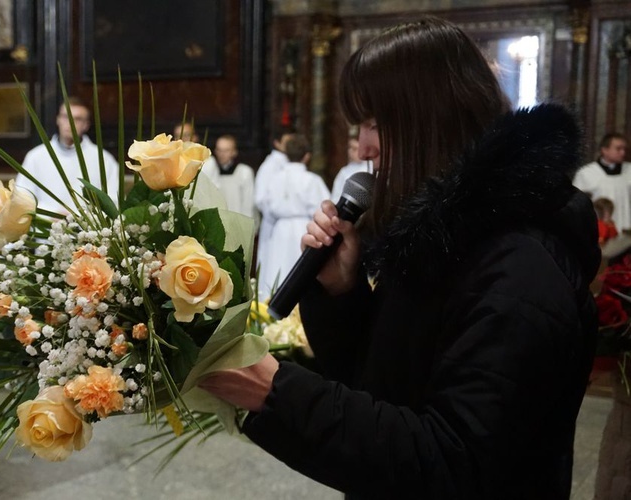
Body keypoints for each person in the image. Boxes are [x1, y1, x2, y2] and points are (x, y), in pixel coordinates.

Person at [200, 17, 600, 499]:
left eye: (374, 123)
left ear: (431, 118)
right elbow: (383, 387)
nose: (363, 148)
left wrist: (276, 392)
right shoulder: (444, 241)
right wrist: (344, 292)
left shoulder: (519, 267)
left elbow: (453, 461)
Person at [15, 97, 120, 214]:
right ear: (58, 120)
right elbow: (22, 197)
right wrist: (52, 213)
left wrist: (80, 217)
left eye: (77, 119)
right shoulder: (35, 156)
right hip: (45, 226)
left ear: (86, 125)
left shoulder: (103, 159)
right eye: (65, 117)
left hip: (87, 228)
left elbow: (113, 201)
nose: (70, 123)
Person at [258, 134, 330, 295]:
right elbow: (323, 209)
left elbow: (267, 208)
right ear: (307, 156)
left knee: (278, 268)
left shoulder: (274, 179)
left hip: (280, 229)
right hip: (304, 228)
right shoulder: (311, 180)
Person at [254, 126, 296, 298]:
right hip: (274, 224)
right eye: (288, 142)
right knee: (273, 265)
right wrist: (279, 214)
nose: (291, 146)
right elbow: (260, 198)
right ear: (277, 143)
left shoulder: (291, 164)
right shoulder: (270, 166)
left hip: (290, 227)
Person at [573, 132, 631, 231]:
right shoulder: (586, 173)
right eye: (618, 149)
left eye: (624, 149)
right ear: (604, 150)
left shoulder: (629, 169)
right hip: (600, 232)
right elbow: (576, 207)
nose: (623, 153)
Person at [200, 135, 256, 218]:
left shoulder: (244, 172)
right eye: (219, 150)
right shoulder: (209, 170)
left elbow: (248, 203)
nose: (222, 154)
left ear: (234, 152)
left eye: (226, 150)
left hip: (238, 220)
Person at [330, 133, 366, 203]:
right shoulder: (344, 171)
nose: (350, 151)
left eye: (355, 149)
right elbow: (336, 196)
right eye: (349, 148)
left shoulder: (373, 168)